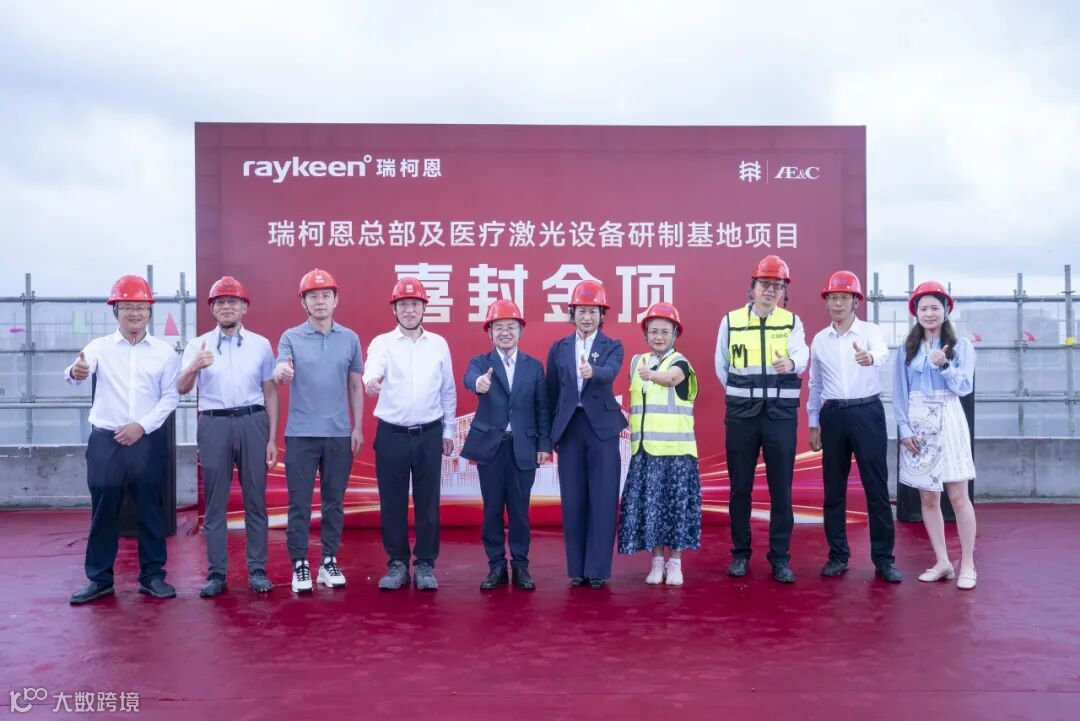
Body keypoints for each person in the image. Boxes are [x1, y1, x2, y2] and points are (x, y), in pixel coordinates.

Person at [66, 275, 180, 604]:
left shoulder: (164, 352)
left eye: (141, 307)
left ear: (150, 312)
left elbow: (170, 397)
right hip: (106, 442)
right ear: (115, 310)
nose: (135, 313)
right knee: (104, 508)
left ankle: (153, 576)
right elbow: (78, 371)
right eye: (127, 306)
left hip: (146, 441)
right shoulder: (99, 347)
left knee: (150, 508)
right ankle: (99, 578)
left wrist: (141, 427)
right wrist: (76, 372)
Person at [177, 276, 278, 596]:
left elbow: (270, 391)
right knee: (215, 503)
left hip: (252, 421)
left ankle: (257, 570)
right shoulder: (198, 345)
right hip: (214, 424)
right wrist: (194, 366)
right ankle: (217, 573)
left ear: (244, 307)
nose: (226, 307)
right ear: (212, 309)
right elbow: (181, 388)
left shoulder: (261, 345)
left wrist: (272, 438)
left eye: (233, 301)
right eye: (219, 302)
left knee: (255, 500)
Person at [715, 255, 808, 583]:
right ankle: (740, 554)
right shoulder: (731, 321)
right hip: (742, 416)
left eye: (777, 285)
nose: (770, 290)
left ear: (784, 291)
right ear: (752, 287)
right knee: (740, 488)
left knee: (781, 489)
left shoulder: (791, 322)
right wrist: (743, 395)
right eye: (764, 284)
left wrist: (792, 364)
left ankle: (780, 558)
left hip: (780, 417)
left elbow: (802, 354)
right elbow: (721, 365)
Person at [273, 268, 364, 594]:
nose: (320, 301)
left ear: (336, 300)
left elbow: (355, 385)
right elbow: (280, 368)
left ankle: (328, 561)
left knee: (333, 503)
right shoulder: (291, 337)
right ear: (304, 302)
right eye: (313, 296)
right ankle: (300, 564)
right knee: (299, 503)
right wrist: (282, 372)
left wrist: (357, 427)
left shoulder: (350, 338)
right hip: (301, 434)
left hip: (339, 433)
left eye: (326, 295)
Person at [363, 277, 456, 591]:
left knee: (428, 502)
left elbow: (448, 391)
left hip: (429, 433)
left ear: (424, 307)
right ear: (394, 309)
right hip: (392, 435)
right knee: (392, 502)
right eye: (403, 304)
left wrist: (449, 429)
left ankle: (426, 563)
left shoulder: (439, 344)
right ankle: (398, 563)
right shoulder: (382, 343)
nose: (409, 310)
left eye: (415, 304)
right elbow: (372, 369)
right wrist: (371, 381)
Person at [807, 271, 901, 583]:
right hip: (833, 415)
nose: (838, 303)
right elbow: (815, 384)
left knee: (876, 489)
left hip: (867, 412)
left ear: (856, 301)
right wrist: (813, 423)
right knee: (834, 489)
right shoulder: (820, 340)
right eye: (832, 298)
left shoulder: (870, 332)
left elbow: (882, 354)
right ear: (826, 303)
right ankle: (838, 556)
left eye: (844, 298)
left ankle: (884, 560)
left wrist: (869, 357)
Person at [461, 299, 552, 590]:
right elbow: (470, 379)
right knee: (492, 510)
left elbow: (542, 408)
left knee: (520, 511)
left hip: (523, 447)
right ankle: (496, 566)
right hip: (492, 447)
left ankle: (521, 566)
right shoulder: (481, 363)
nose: (505, 333)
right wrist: (479, 384)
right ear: (490, 333)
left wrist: (544, 444)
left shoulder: (534, 367)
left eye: (511, 327)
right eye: (498, 327)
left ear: (520, 331)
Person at [894, 281, 978, 590]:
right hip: (917, 423)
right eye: (923, 308)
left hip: (949, 417)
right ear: (915, 313)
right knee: (928, 497)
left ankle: (967, 563)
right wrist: (904, 429)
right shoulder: (907, 348)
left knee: (958, 496)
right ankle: (943, 562)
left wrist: (945, 366)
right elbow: (899, 392)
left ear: (946, 310)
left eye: (934, 308)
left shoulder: (961, 346)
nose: (929, 313)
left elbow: (964, 387)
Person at [546, 279, 627, 589]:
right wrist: (549, 435)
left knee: (603, 498)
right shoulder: (559, 348)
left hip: (602, 430)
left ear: (602, 315)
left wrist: (594, 372)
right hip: (570, 429)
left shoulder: (612, 346)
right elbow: (551, 392)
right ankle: (577, 569)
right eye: (581, 311)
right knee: (573, 499)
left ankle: (598, 569)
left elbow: (611, 371)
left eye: (593, 311)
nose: (587, 317)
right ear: (572, 313)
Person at [617, 302, 701, 586]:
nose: (659, 337)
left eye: (665, 331)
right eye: (653, 331)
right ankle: (655, 563)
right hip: (645, 452)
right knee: (652, 510)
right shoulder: (636, 362)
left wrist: (653, 375)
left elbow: (672, 379)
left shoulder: (681, 363)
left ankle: (675, 563)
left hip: (676, 454)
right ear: (645, 334)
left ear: (675, 334)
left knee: (675, 510)